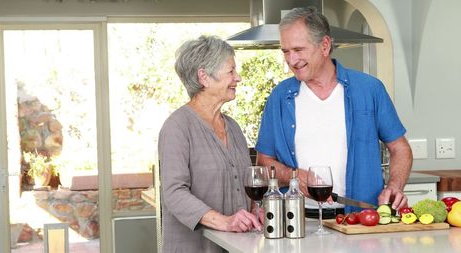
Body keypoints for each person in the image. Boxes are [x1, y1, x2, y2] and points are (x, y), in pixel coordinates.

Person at [255, 7, 413, 216]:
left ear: (325, 45)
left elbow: (400, 149)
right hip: (298, 220)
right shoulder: (279, 97)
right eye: (286, 51)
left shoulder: (370, 89)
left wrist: (395, 186)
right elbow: (263, 164)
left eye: (299, 50)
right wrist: (295, 176)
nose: (292, 61)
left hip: (360, 219)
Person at [158, 35, 262, 253]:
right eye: (231, 71)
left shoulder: (233, 128)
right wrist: (224, 221)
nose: (238, 78)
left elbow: (246, 184)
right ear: (204, 77)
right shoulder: (177, 127)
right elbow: (174, 193)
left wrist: (256, 209)